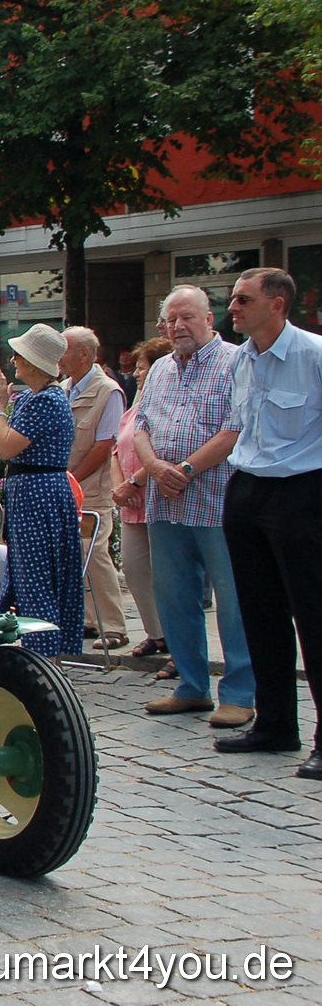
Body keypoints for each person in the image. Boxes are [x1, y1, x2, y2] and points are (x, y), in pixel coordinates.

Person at [215, 268, 322, 778]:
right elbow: (241, 426)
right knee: (258, 611)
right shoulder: (242, 359)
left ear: (277, 304)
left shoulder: (313, 355)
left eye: (243, 299)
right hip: (247, 486)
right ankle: (276, 723)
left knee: (314, 614)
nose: (232, 308)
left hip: (302, 491)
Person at [134, 284, 254, 728]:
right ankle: (191, 685)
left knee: (234, 598)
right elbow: (140, 425)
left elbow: (234, 428)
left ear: (209, 318)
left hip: (217, 499)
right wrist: (153, 466)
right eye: (171, 319)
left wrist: (182, 469)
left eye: (188, 317)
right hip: (165, 503)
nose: (179, 326)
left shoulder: (235, 362)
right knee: (174, 595)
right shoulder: (162, 368)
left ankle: (240, 692)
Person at [0, 323, 85, 656]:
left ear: (33, 362)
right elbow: (0, 442)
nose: (14, 360)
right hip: (32, 492)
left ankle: (43, 656)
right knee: (26, 576)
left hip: (39, 495)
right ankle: (30, 652)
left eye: (19, 355)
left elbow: (3, 448)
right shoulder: (35, 398)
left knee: (37, 582)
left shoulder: (45, 400)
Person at [58, 326, 130, 650]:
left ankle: (114, 625)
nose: (59, 356)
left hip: (93, 490)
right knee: (76, 553)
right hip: (68, 487)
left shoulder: (108, 391)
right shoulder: (63, 388)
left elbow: (104, 445)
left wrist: (70, 478)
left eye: (64, 348)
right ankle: (88, 620)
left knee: (95, 552)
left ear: (84, 354)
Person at [109, 337, 173, 664]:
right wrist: (121, 487)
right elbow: (117, 450)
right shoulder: (134, 406)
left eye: (141, 366)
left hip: (157, 498)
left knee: (167, 574)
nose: (135, 373)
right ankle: (155, 632)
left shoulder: (165, 403)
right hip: (131, 503)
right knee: (134, 569)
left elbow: (163, 451)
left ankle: (176, 638)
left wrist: (135, 482)